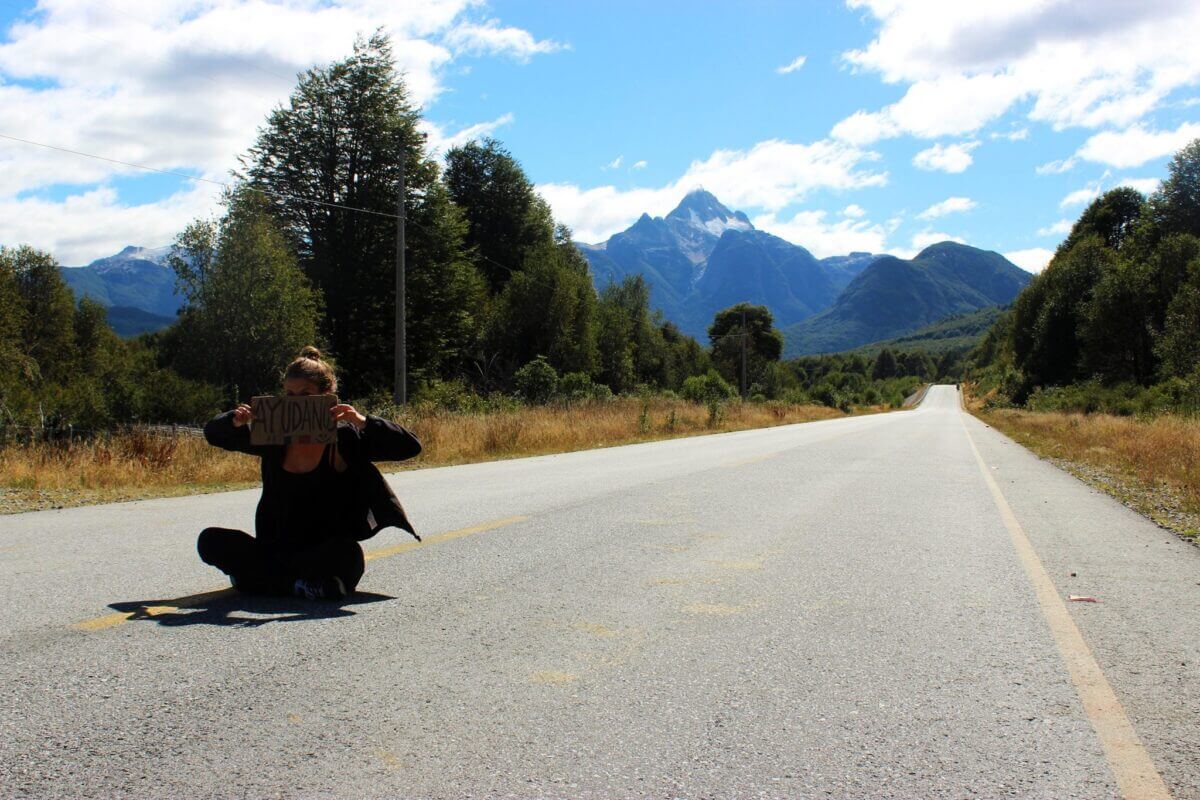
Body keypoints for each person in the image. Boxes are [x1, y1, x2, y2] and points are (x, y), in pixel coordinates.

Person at [197, 346, 422, 600]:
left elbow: (410, 446)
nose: (296, 403)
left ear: (326, 395)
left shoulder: (344, 438)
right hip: (275, 548)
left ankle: (259, 580)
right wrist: (234, 420)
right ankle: (297, 585)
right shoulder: (274, 437)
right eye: (289, 395)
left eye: (305, 394)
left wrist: (363, 421)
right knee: (210, 541)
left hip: (321, 552)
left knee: (348, 555)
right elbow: (213, 434)